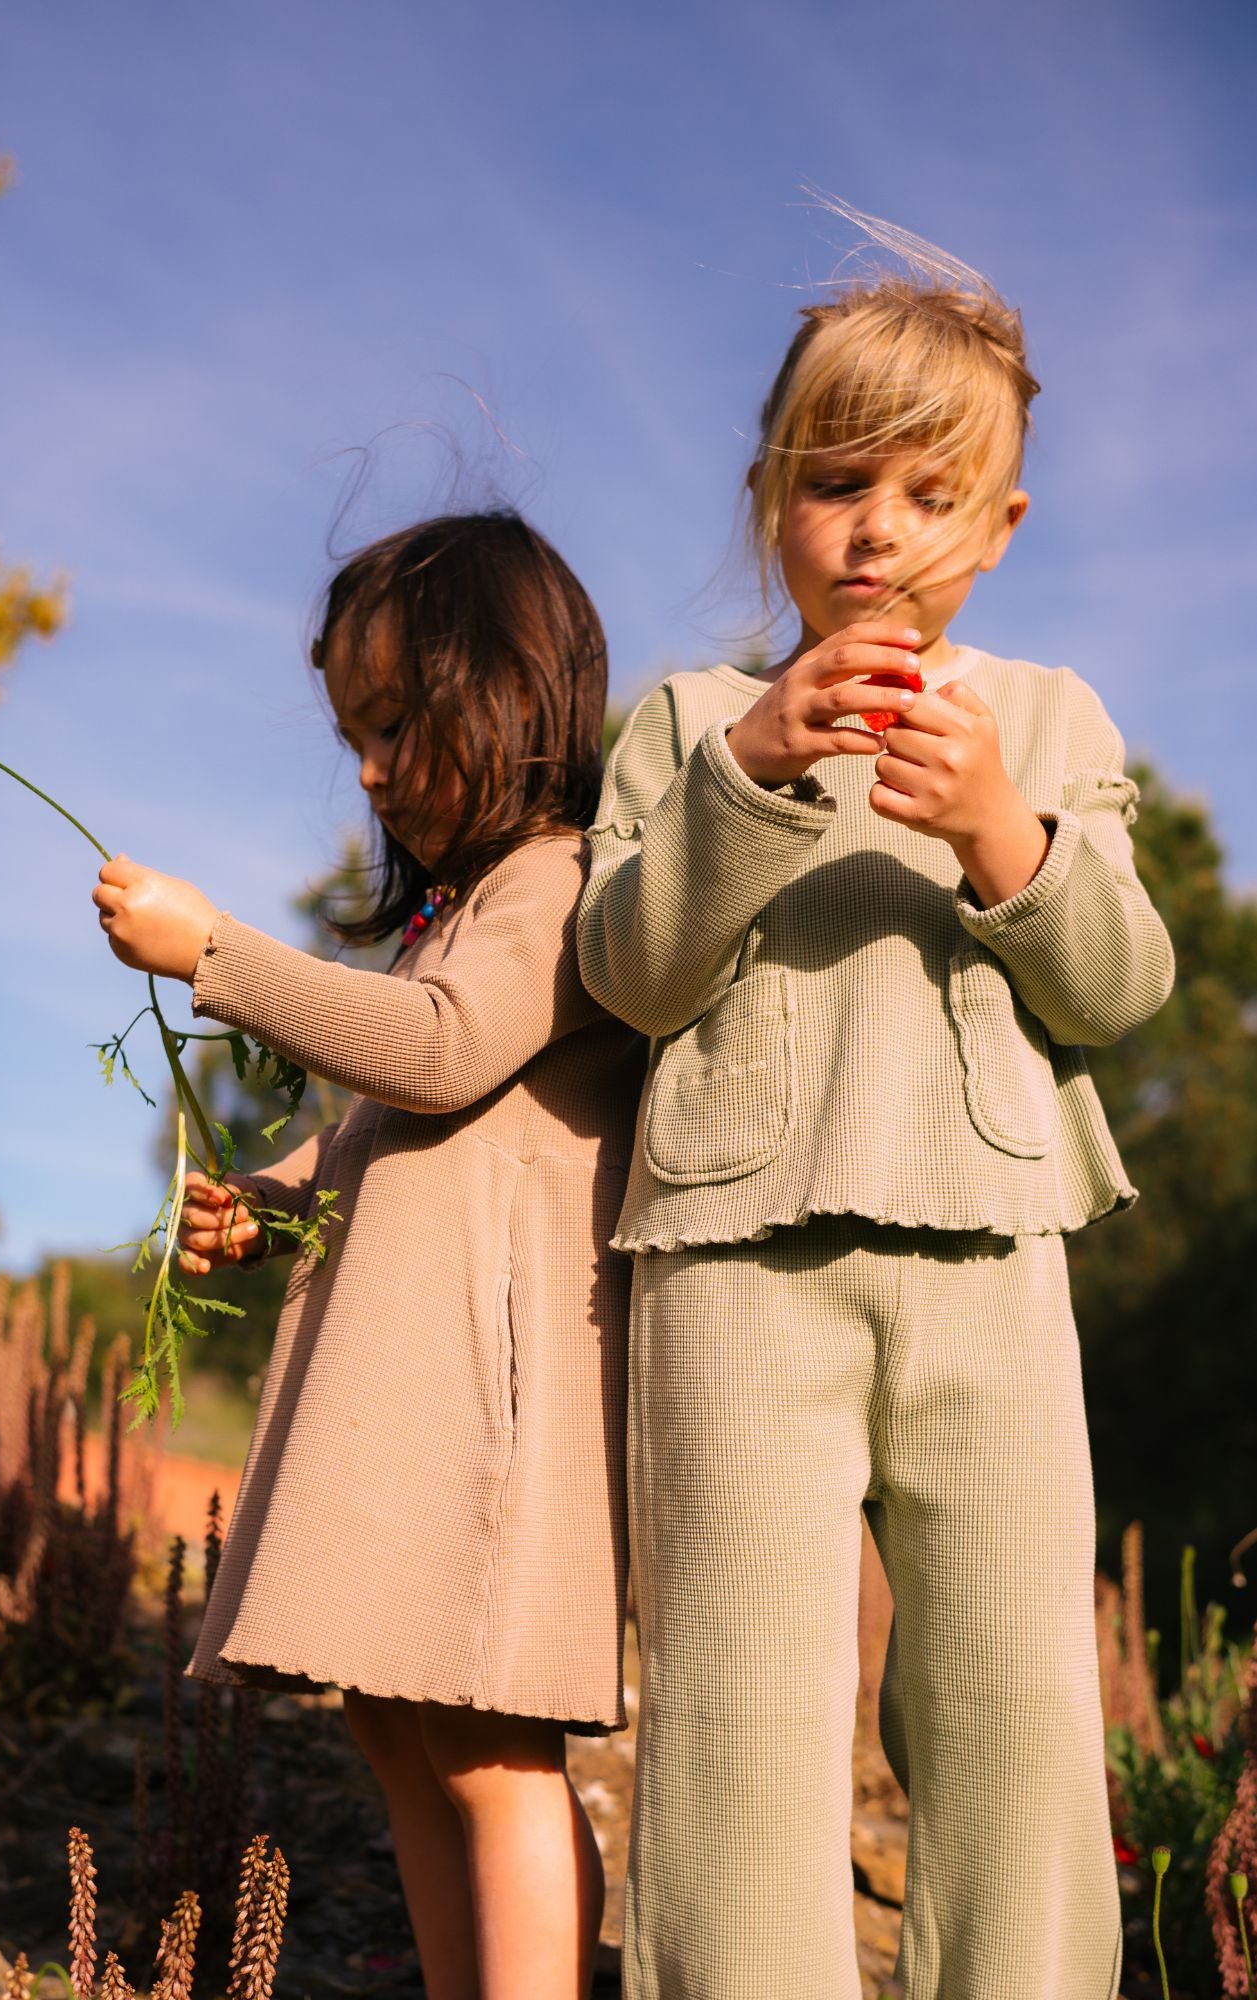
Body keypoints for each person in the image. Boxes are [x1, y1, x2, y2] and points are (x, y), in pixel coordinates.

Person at [578, 217, 1175, 1999]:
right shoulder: (687, 719)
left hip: (992, 1253)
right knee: (738, 1710)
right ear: (772, 495)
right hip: (729, 1258)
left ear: (996, 529)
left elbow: (1119, 986)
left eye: (930, 494)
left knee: (1012, 1701)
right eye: (834, 482)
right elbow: (628, 972)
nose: (876, 530)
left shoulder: (1049, 722)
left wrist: (1002, 832)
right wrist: (750, 773)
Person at [91, 510, 645, 2000]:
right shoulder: (448, 918)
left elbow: (443, 1054)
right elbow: (384, 1122)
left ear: (512, 692)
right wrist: (273, 1200)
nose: (370, 769)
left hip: (493, 1407)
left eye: (394, 723)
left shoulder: (561, 881)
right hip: (414, 1392)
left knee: (482, 1740)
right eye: (354, 731)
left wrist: (216, 954)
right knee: (395, 1726)